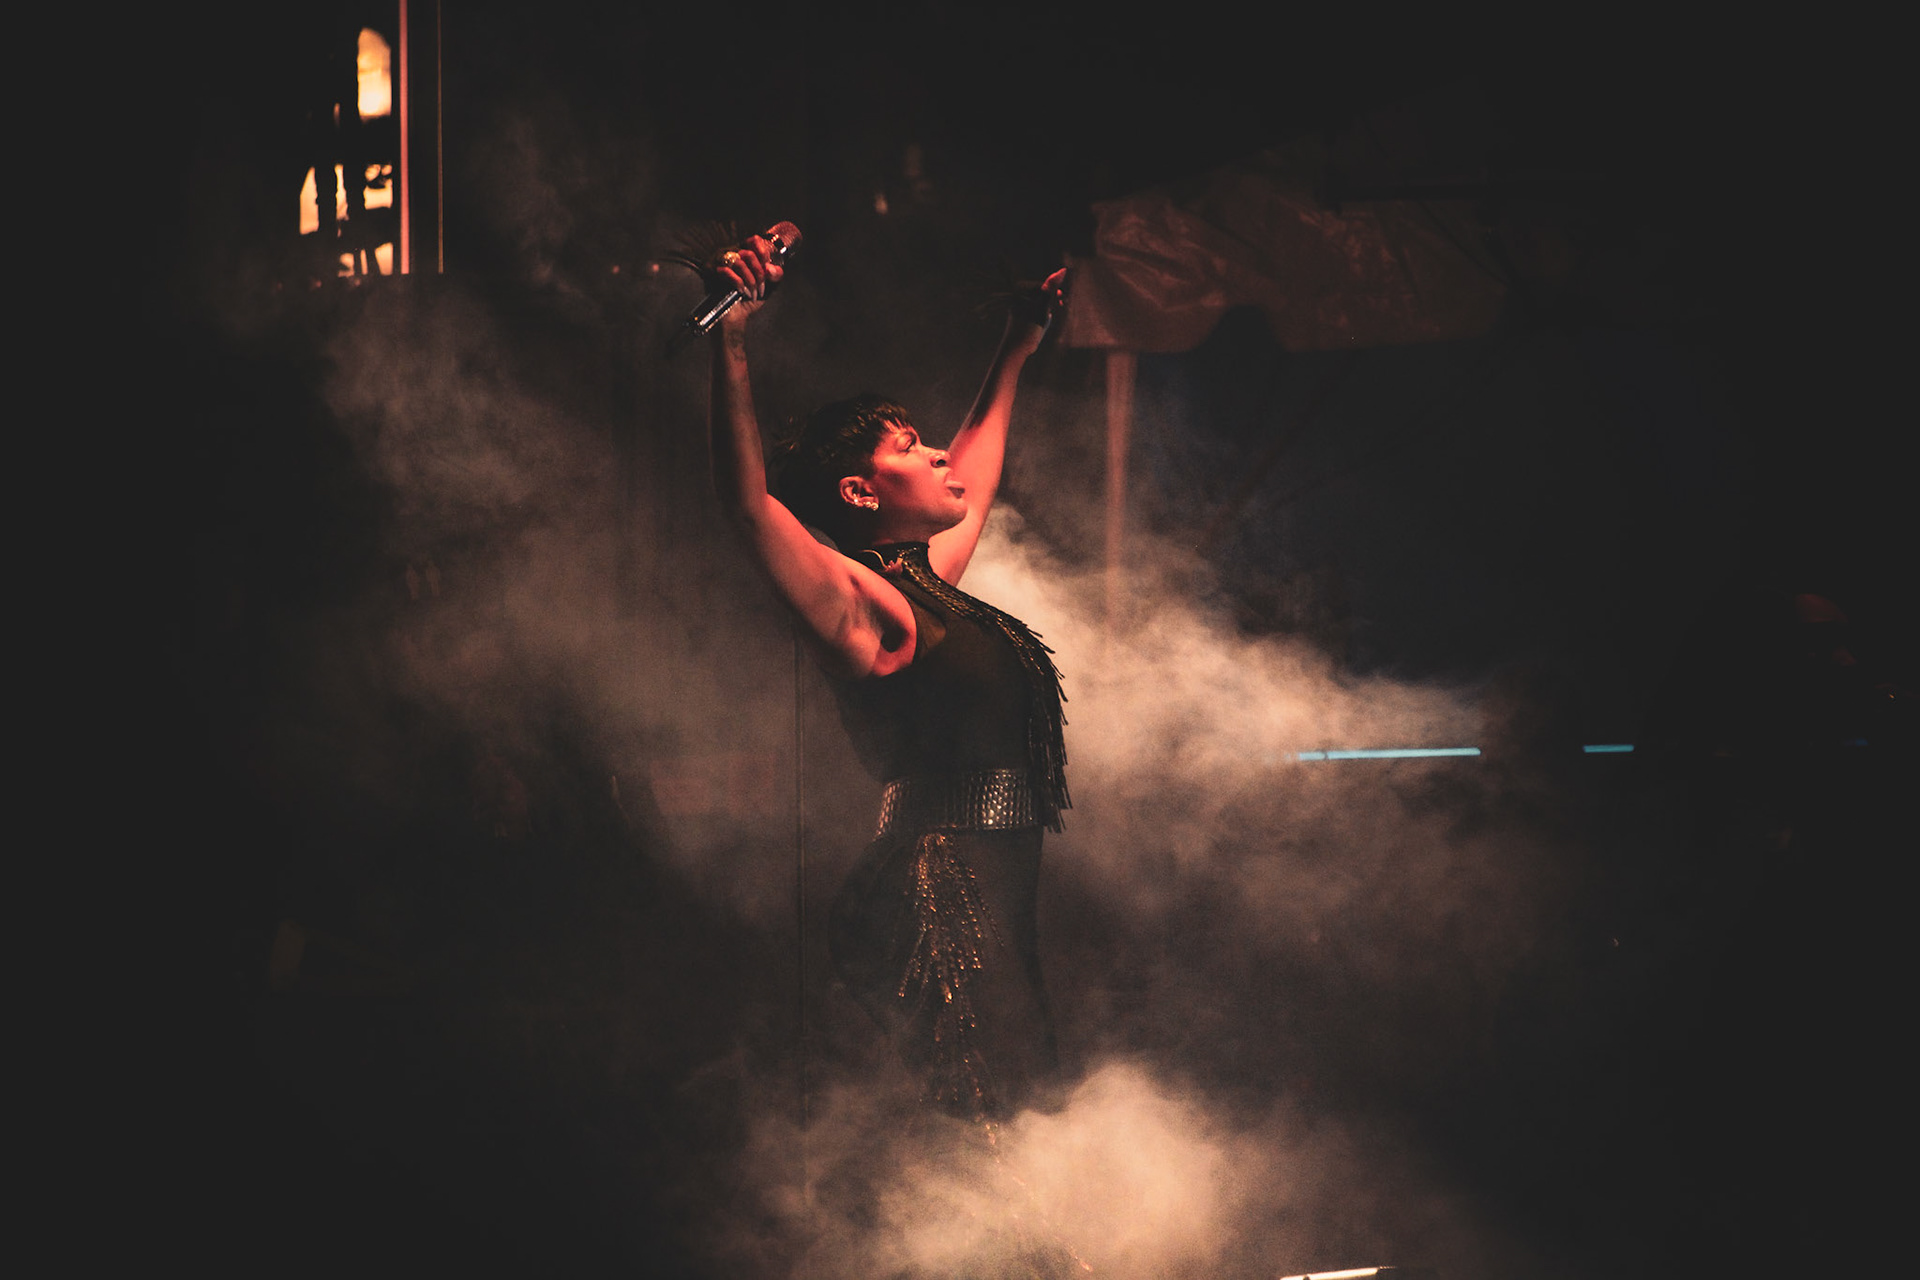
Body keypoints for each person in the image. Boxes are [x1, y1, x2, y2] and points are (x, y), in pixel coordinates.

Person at [706, 233, 1069, 1120]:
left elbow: (974, 470)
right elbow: (749, 507)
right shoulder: (863, 602)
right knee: (991, 1109)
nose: (939, 453)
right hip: (934, 889)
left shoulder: (927, 586)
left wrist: (1019, 340)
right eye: (910, 446)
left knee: (1018, 1098)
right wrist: (732, 339)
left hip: (985, 888)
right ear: (860, 492)